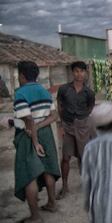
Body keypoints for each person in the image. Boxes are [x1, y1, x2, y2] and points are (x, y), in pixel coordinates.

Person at [13, 61, 61, 222]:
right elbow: (54, 116)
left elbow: (29, 121)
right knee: (48, 168)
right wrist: (40, 128)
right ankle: (52, 203)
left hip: (28, 137)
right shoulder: (44, 91)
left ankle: (35, 216)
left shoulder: (20, 93)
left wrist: (35, 142)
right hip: (46, 133)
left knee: (29, 175)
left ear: (22, 75)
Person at [56, 61, 96, 199]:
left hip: (83, 127)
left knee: (83, 157)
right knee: (65, 157)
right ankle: (65, 186)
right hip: (67, 126)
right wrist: (61, 125)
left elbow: (91, 107)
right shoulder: (64, 89)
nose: (79, 74)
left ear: (85, 73)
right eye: (76, 71)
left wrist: (82, 117)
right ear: (72, 73)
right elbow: (60, 106)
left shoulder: (89, 92)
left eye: (82, 71)